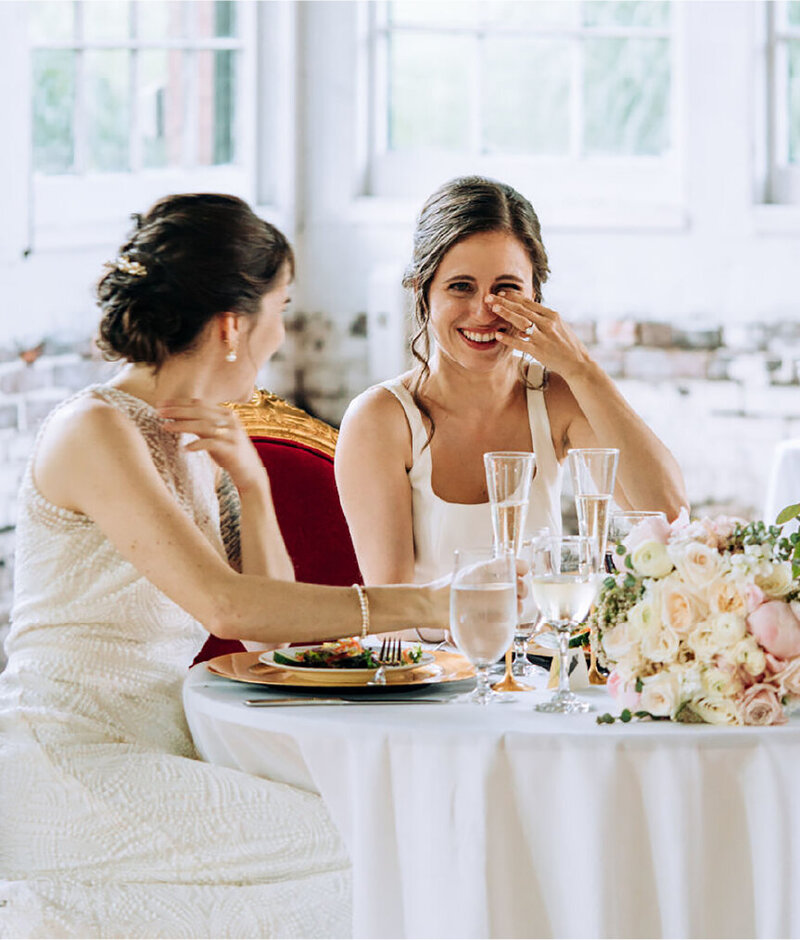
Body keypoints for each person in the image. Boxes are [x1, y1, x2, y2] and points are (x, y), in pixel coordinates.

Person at [0, 194, 451, 939]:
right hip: (63, 760)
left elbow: (267, 643)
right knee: (364, 850)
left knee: (381, 836)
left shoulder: (195, 439)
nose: (285, 330)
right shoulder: (95, 428)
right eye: (283, 306)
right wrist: (427, 606)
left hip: (158, 754)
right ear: (235, 325)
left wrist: (252, 483)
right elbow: (228, 609)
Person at [335, 176, 688, 595]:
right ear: (422, 290)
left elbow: (669, 520)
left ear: (535, 296)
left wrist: (581, 369)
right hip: (430, 659)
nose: (485, 311)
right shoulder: (381, 418)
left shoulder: (555, 398)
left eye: (506, 288)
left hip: (544, 655)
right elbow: (389, 610)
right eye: (461, 287)